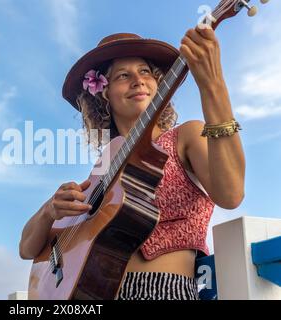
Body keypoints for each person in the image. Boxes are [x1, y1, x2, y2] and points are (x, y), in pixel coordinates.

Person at [19, 25, 245, 300]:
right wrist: (49, 211)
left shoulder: (185, 136)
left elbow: (231, 194)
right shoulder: (103, 167)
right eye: (123, 76)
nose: (138, 81)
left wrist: (213, 84)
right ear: (104, 95)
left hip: (166, 290)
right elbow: (27, 249)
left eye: (145, 72)